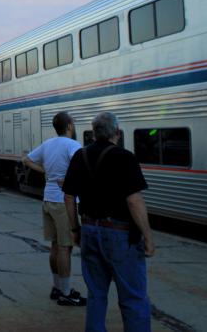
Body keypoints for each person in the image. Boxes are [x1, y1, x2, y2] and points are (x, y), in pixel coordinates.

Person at [63, 112, 154, 332]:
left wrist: (75, 229)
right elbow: (134, 201)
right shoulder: (125, 157)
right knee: (133, 297)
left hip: (89, 230)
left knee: (96, 295)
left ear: (94, 133)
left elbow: (68, 197)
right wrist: (149, 237)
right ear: (117, 132)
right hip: (120, 234)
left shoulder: (80, 156)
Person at [22, 111, 85, 306]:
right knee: (65, 247)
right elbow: (82, 169)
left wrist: (46, 171)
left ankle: (57, 287)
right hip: (63, 202)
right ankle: (66, 292)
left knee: (55, 246)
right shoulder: (73, 145)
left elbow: (26, 160)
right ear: (69, 127)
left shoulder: (48, 144)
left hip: (48, 200)